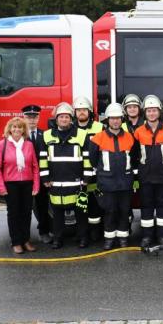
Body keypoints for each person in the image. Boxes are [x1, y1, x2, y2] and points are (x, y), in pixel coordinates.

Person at [37, 102, 92, 249]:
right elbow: (42, 158)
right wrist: (45, 178)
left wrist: (87, 178)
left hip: (78, 183)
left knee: (81, 213)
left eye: (67, 117)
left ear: (71, 119)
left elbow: (87, 157)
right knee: (57, 214)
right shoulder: (46, 136)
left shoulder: (82, 135)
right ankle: (58, 239)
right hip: (56, 182)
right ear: (56, 119)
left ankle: (83, 238)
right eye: (61, 117)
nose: (64, 119)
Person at [89, 103, 139, 250]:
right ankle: (109, 238)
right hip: (107, 182)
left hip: (125, 182)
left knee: (124, 210)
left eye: (118, 118)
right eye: (112, 118)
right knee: (110, 211)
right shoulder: (97, 138)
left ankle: (123, 238)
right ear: (107, 120)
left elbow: (135, 158)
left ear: (122, 119)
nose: (115, 121)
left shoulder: (130, 137)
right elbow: (93, 160)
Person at [133, 95, 163, 248]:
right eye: (149, 110)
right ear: (145, 113)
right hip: (145, 177)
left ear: (159, 112)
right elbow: (134, 154)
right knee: (146, 207)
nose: (152, 113)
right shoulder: (138, 132)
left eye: (154, 110)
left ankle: (162, 237)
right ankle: (147, 237)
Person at [0, 117, 40, 254]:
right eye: (14, 127)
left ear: (24, 130)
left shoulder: (29, 145)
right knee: (14, 214)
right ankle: (16, 242)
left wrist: (36, 185)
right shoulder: (1, 145)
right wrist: (1, 188)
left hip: (27, 183)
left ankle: (26, 240)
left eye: (20, 127)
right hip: (10, 185)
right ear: (9, 129)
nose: (17, 129)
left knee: (26, 213)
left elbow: (35, 167)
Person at [73, 96, 105, 242]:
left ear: (89, 111)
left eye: (84, 109)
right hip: (78, 175)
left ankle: (95, 233)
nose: (81, 112)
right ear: (75, 112)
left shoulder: (99, 127)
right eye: (78, 110)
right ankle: (83, 235)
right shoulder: (71, 129)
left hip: (95, 174)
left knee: (95, 205)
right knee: (80, 206)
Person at [22, 104, 52, 244]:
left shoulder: (44, 135)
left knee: (42, 206)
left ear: (39, 118)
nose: (32, 120)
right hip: (24, 177)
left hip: (41, 177)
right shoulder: (19, 135)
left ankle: (44, 231)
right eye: (29, 117)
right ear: (24, 118)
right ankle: (24, 236)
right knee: (24, 208)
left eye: (34, 117)